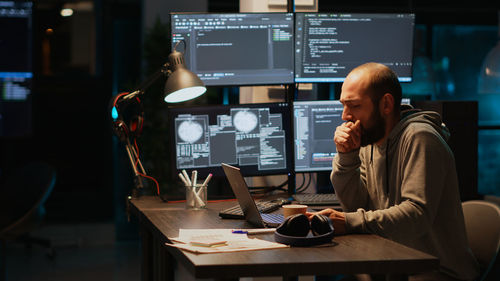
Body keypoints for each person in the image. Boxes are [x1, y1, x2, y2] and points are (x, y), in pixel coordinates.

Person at [307, 62, 479, 281]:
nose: (345, 116)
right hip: (393, 264)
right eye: (343, 105)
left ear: (386, 104)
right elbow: (356, 205)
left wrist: (350, 221)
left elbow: (416, 215)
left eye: (354, 106)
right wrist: (347, 156)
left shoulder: (420, 138)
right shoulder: (371, 141)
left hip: (434, 272)